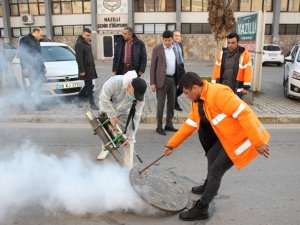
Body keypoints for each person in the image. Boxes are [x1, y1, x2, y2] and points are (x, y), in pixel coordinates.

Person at [163, 72, 270, 221]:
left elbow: (244, 114)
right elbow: (190, 125)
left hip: (244, 138)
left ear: (195, 87)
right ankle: (209, 186)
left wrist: (258, 142)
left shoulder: (219, 93)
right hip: (228, 138)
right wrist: (171, 145)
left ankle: (202, 208)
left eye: (187, 93)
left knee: (216, 170)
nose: (186, 96)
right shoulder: (198, 101)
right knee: (212, 155)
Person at [96, 71, 147, 168]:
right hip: (108, 107)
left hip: (125, 110)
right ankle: (105, 149)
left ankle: (128, 166)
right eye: (134, 94)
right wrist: (112, 115)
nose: (135, 97)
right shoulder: (114, 82)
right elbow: (103, 98)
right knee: (106, 129)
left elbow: (136, 117)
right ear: (129, 86)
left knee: (128, 139)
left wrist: (130, 135)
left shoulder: (140, 97)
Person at [150, 30, 179, 136]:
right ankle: (159, 126)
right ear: (163, 39)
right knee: (161, 104)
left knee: (171, 103)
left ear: (172, 39)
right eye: (165, 40)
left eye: (169, 40)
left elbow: (178, 63)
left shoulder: (175, 48)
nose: (167, 42)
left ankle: (169, 124)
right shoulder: (157, 49)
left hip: (173, 79)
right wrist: (152, 82)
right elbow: (153, 66)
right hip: (161, 80)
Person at [211, 32, 252, 98]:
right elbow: (216, 70)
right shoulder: (222, 53)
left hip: (236, 86)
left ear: (237, 42)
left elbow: (248, 71)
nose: (230, 45)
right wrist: (213, 84)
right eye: (229, 43)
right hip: (223, 85)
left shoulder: (244, 54)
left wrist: (246, 87)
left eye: (233, 43)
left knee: (235, 106)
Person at [19, 27, 47, 110]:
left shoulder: (36, 41)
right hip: (31, 67)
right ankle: (25, 101)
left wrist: (43, 67)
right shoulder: (25, 40)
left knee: (38, 85)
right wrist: (24, 68)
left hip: (38, 67)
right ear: (37, 32)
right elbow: (22, 54)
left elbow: (39, 55)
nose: (41, 36)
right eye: (41, 34)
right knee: (35, 85)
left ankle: (37, 104)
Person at [75, 28, 98, 110]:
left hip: (90, 68)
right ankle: (92, 104)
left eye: (90, 35)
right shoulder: (79, 44)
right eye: (87, 35)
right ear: (83, 34)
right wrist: (82, 70)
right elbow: (79, 59)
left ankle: (77, 98)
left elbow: (90, 57)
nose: (89, 37)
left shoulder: (87, 43)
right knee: (89, 86)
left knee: (89, 85)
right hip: (85, 69)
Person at [173, 30, 185, 111]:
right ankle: (175, 104)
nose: (178, 37)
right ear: (172, 37)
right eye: (176, 36)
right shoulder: (170, 45)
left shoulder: (180, 45)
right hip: (174, 68)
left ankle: (172, 98)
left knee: (183, 85)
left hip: (181, 67)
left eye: (179, 36)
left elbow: (182, 56)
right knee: (174, 87)